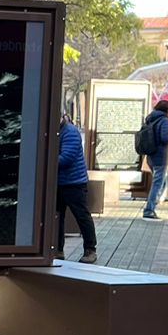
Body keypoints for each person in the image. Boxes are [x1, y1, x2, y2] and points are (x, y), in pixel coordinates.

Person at [56, 113, 98, 263]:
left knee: (82, 216)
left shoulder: (70, 132)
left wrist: (42, 158)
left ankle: (90, 249)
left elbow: (66, 158)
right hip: (58, 182)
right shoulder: (56, 131)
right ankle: (57, 250)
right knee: (56, 217)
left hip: (74, 183)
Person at [138, 99, 168, 219]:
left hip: (151, 155)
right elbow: (164, 138)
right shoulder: (164, 121)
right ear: (167, 110)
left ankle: (151, 207)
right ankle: (149, 210)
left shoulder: (150, 119)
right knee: (158, 184)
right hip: (161, 156)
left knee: (159, 183)